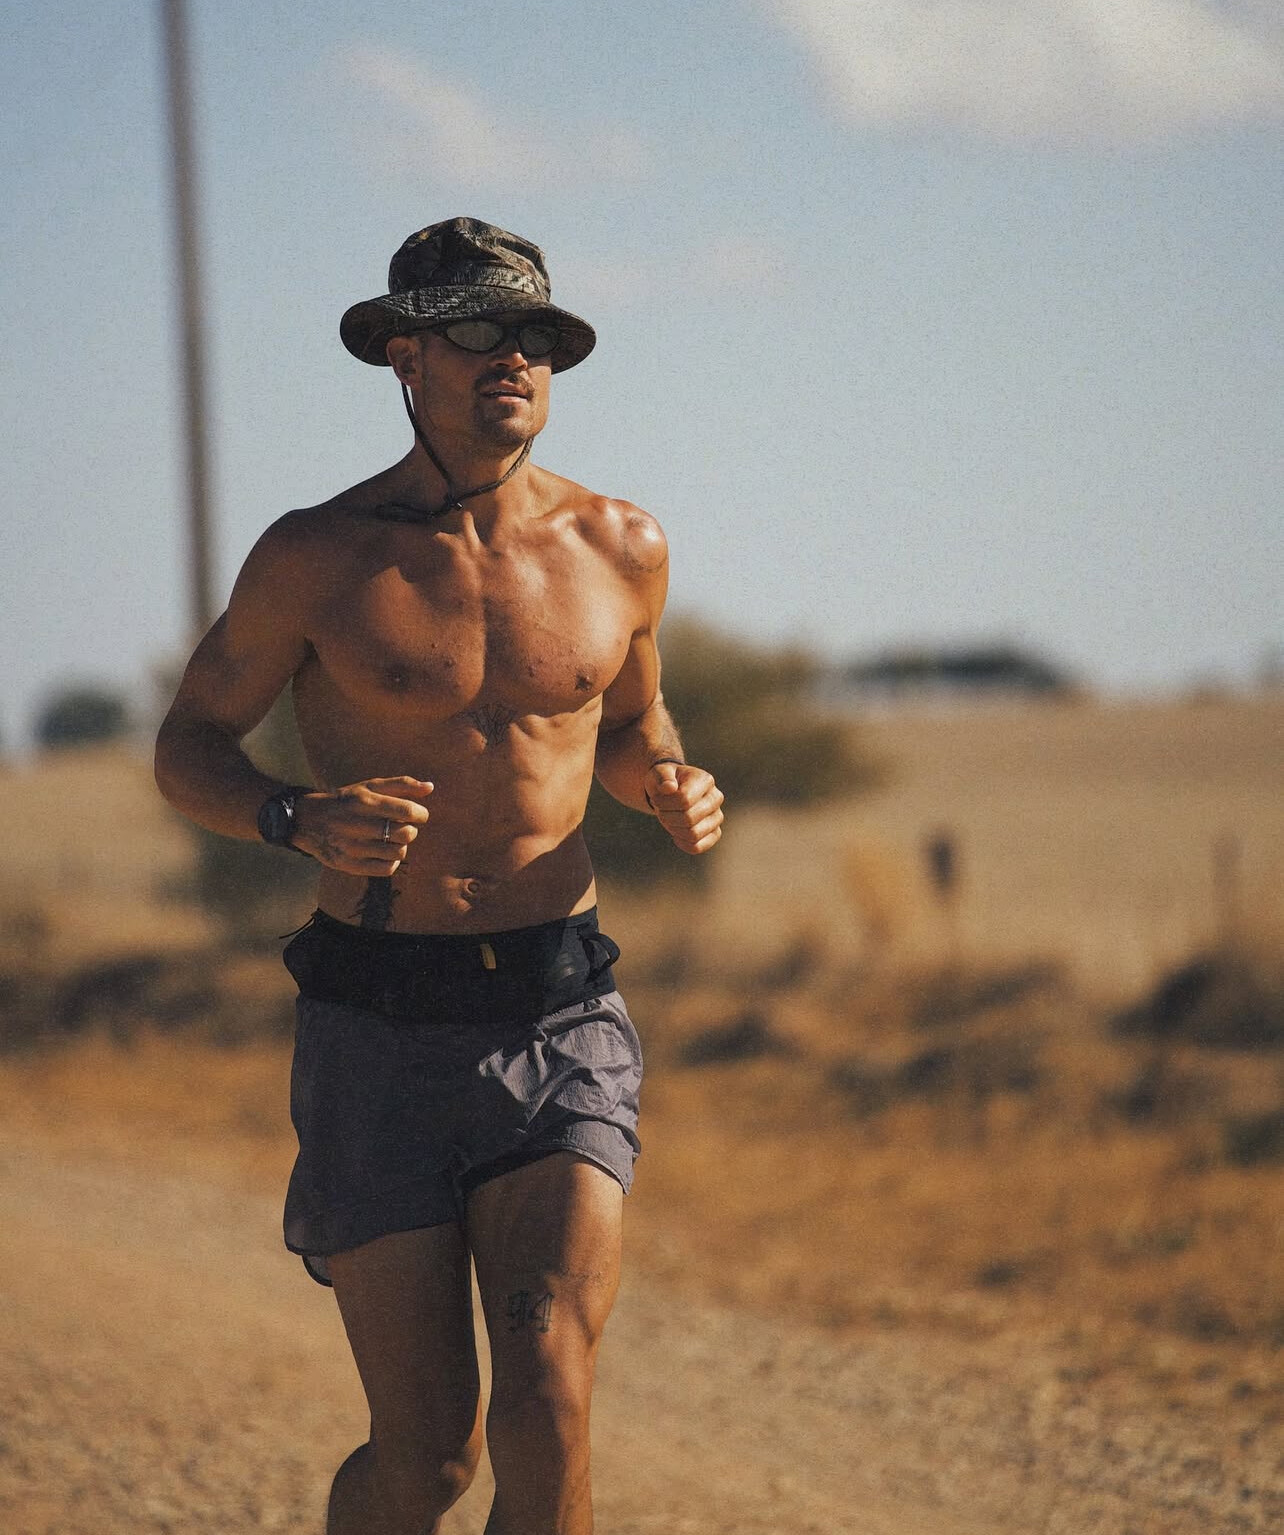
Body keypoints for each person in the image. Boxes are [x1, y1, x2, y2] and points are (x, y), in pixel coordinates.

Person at [154, 216, 724, 1535]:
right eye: (476, 330)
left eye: (533, 334)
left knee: (551, 1393)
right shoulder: (317, 555)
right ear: (404, 358)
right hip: (377, 1020)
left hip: (558, 1006)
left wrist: (667, 781)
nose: (511, 356)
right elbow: (188, 745)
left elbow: (634, 726)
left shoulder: (622, 545)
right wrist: (293, 816)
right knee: (426, 1456)